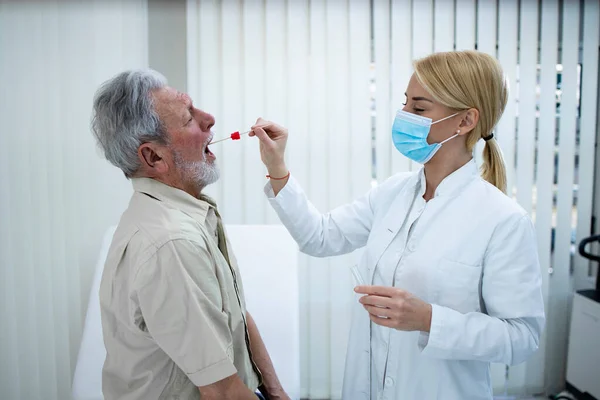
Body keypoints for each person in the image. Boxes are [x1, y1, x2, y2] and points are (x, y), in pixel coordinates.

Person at [250, 50, 545, 399]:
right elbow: (320, 237)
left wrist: (429, 320)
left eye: (419, 109)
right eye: (405, 104)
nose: (403, 116)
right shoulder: (392, 193)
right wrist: (277, 165)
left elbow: (522, 337)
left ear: (465, 120)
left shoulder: (503, 221)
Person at [91, 69, 289, 400]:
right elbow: (222, 392)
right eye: (188, 118)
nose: (209, 119)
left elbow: (235, 315)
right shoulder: (172, 244)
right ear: (154, 157)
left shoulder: (188, 213)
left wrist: (277, 394)